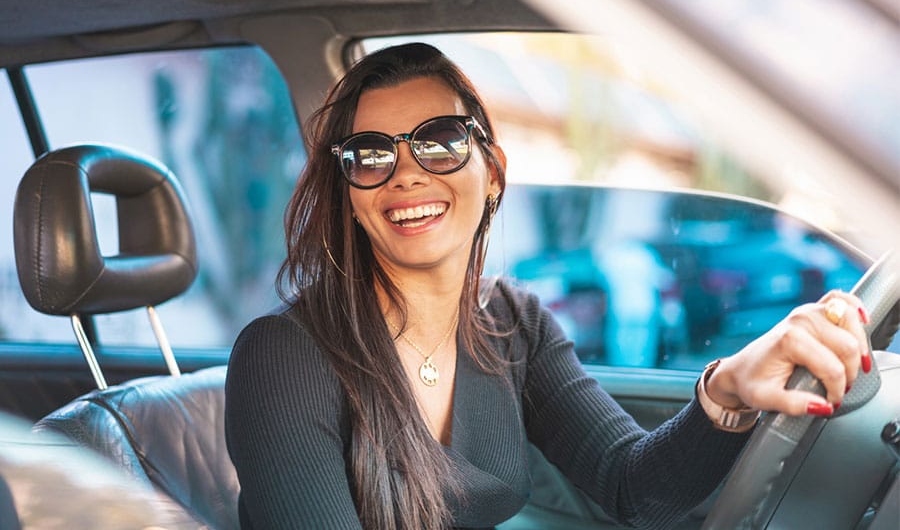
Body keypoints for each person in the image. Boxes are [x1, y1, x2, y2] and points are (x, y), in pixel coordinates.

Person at [224, 42, 870, 530]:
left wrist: (728, 388)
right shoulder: (284, 355)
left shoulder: (511, 320)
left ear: (493, 170)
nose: (406, 174)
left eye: (440, 142)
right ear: (350, 192)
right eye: (369, 155)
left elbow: (632, 487)